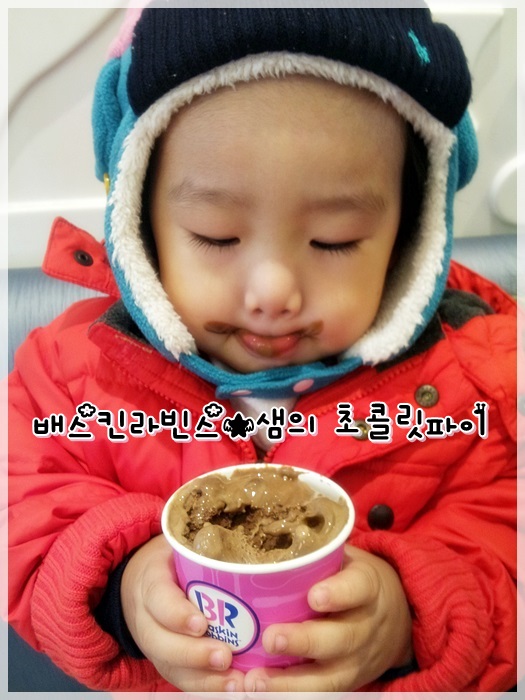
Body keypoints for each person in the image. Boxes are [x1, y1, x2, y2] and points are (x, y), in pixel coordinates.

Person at [7, 4, 517, 694]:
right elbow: (23, 516)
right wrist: (121, 587)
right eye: (216, 234)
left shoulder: (482, 386)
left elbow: (505, 543)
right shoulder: (71, 379)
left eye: (334, 241)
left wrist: (414, 617)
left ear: (409, 236)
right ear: (141, 222)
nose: (273, 291)